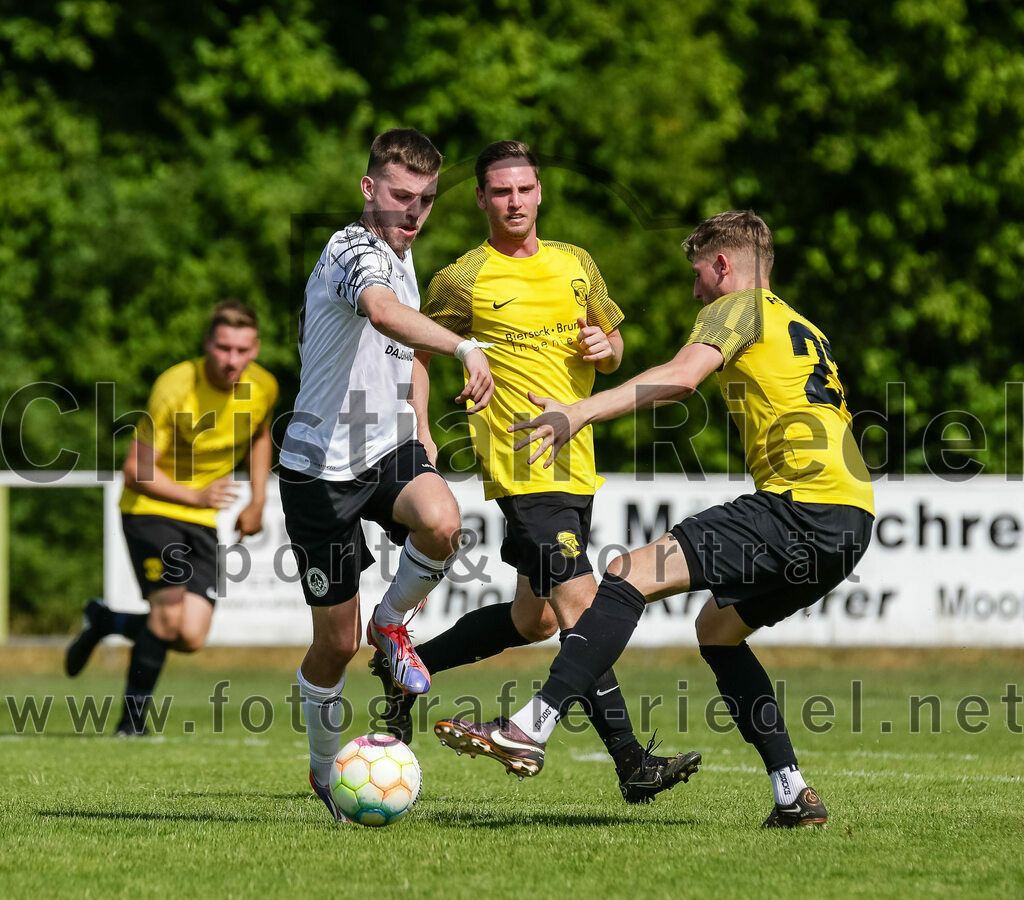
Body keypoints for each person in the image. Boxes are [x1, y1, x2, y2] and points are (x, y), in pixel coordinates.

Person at [436, 210, 875, 828]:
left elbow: (680, 378)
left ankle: (530, 726)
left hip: (800, 505)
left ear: (724, 265)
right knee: (717, 630)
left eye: (698, 274)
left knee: (627, 574)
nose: (695, 291)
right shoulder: (804, 324)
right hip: (852, 521)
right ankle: (791, 791)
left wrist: (579, 412)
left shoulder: (735, 308)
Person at [377, 140, 699, 804]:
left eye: (524, 189)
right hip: (522, 468)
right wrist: (419, 431)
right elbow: (419, 348)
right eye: (500, 192)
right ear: (481, 199)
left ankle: (410, 666)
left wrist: (604, 348)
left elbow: (611, 349)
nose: (514, 201)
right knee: (584, 609)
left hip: (577, 465)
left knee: (536, 622)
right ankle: (633, 764)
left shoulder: (576, 263)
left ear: (540, 192)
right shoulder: (463, 277)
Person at [277, 128, 494, 824]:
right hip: (318, 470)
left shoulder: (403, 256)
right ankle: (322, 770)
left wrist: (421, 425)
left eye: (426, 199)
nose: (414, 211)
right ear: (369, 190)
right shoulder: (351, 250)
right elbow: (381, 313)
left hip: (385, 448)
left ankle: (392, 623)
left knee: (442, 520)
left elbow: (404, 350)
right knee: (333, 646)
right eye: (401, 195)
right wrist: (465, 345)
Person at [65, 300, 278, 736]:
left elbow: (259, 434)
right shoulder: (175, 387)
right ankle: (131, 725)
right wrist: (195, 495)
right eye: (223, 348)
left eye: (241, 349)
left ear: (255, 348)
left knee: (191, 636)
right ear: (207, 345)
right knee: (166, 619)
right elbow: (136, 470)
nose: (231, 359)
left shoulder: (264, 386)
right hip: (151, 509)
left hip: (201, 516)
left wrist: (257, 500)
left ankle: (106, 621)